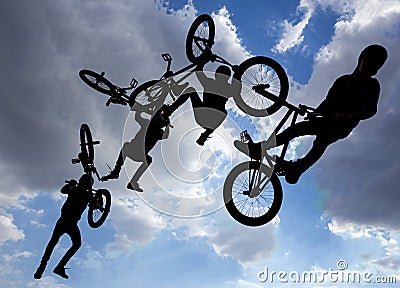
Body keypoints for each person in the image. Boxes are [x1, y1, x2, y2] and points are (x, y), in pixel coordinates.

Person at [235, 44, 388, 184]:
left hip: (342, 126)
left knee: (320, 140)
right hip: (328, 119)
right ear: (362, 58)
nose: (369, 68)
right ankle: (293, 166)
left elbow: (371, 109)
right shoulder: (343, 81)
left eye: (374, 66)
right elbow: (327, 102)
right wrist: (314, 113)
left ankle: (295, 167)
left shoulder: (372, 85)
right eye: (368, 62)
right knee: (297, 130)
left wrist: (350, 116)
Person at [34, 174, 93, 279]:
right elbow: (64, 190)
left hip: (65, 221)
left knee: (52, 244)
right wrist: (71, 185)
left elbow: (64, 190)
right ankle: (58, 266)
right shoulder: (85, 194)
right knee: (74, 244)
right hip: (69, 222)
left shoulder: (78, 190)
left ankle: (43, 268)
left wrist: (70, 184)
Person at [164, 64, 241, 145]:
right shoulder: (228, 88)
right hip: (209, 121)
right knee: (224, 112)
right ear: (227, 77)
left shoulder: (210, 82)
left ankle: (170, 110)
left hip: (202, 116)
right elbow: (237, 88)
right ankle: (206, 134)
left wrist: (201, 62)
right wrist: (237, 73)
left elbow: (199, 72)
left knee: (191, 90)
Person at [101, 105, 171, 191]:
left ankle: (132, 181)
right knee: (127, 146)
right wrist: (139, 111)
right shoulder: (148, 124)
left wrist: (167, 125)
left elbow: (165, 136)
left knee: (147, 158)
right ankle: (117, 172)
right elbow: (138, 118)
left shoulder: (156, 130)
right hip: (134, 151)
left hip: (140, 154)